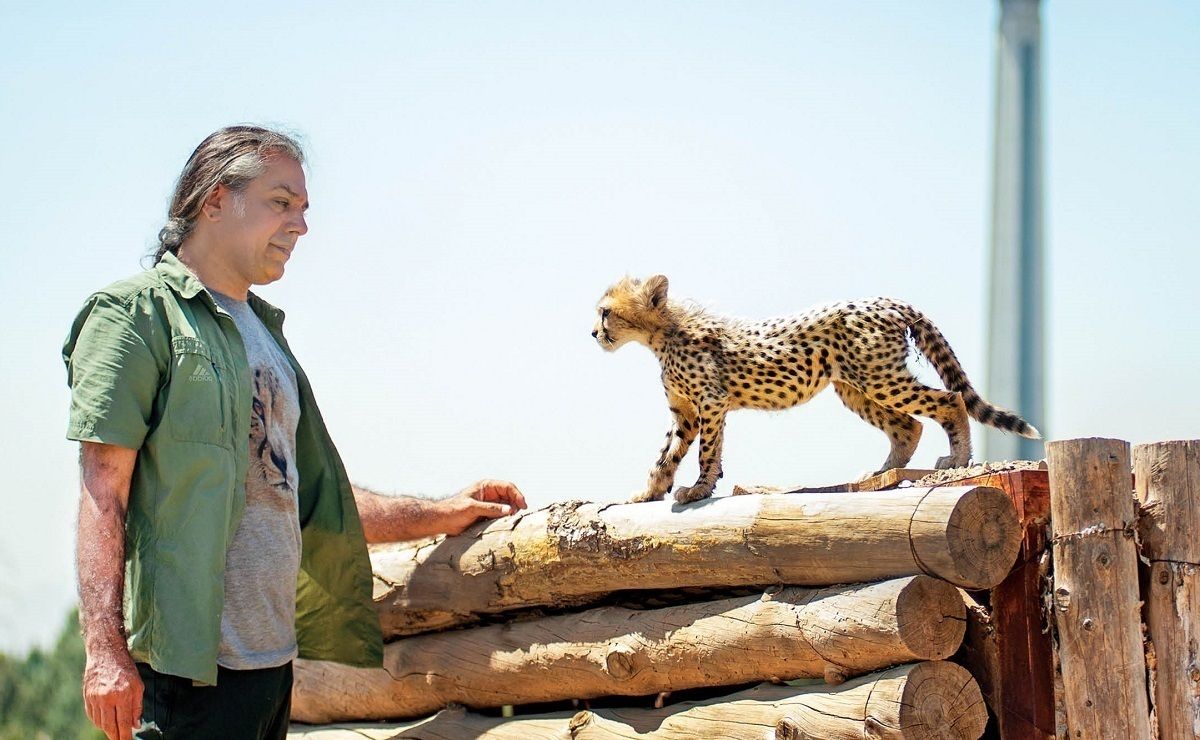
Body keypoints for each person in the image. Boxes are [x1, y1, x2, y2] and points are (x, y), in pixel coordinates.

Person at [64, 125, 527, 740]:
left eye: (304, 209)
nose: (300, 225)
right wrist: (103, 652)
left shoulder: (267, 337)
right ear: (214, 201)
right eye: (281, 202)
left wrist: (445, 511)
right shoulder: (136, 315)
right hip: (182, 676)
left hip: (272, 672)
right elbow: (103, 492)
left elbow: (302, 496)